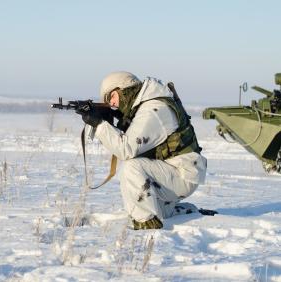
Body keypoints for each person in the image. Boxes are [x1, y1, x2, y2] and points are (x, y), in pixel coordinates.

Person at [76, 71, 207, 229]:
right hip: (174, 171)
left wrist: (99, 124)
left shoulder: (154, 109)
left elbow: (126, 149)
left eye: (111, 97)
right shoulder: (146, 107)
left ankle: (146, 224)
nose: (112, 104)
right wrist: (103, 121)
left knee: (132, 167)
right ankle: (178, 211)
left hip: (182, 174)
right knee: (150, 201)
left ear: (123, 90)